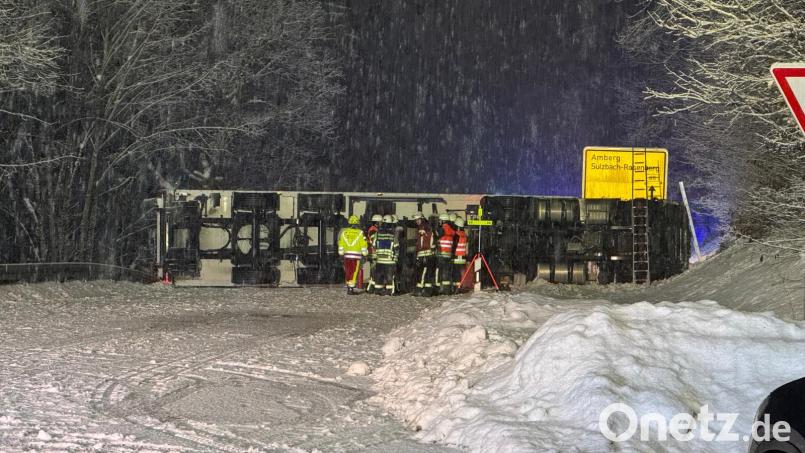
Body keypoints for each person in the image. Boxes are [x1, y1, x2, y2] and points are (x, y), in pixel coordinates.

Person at [338, 215, 368, 295]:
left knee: (348, 271)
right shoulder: (360, 233)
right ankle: (351, 288)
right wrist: (365, 253)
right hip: (356, 257)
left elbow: (341, 244)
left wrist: (341, 253)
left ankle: (348, 286)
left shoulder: (344, 232)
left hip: (346, 256)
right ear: (357, 223)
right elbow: (363, 244)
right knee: (354, 272)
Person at [374, 215, 399, 295]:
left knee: (379, 276)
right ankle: (389, 291)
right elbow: (396, 247)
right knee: (389, 277)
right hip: (389, 261)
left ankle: (378, 290)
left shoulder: (377, 234)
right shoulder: (393, 234)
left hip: (379, 260)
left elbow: (374, 245)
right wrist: (396, 258)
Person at [412, 212, 436, 296]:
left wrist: (418, 252)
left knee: (422, 272)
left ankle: (420, 290)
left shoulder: (423, 228)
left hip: (424, 253)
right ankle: (427, 290)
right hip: (427, 253)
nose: (416, 221)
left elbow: (421, 243)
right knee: (427, 272)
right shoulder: (427, 226)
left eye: (417, 220)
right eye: (416, 220)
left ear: (421, 219)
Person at [435, 213, 456, 295]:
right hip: (448, 254)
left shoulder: (442, 229)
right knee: (446, 272)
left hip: (441, 254)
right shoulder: (451, 230)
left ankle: (438, 289)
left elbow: (436, 236)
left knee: (439, 271)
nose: (439, 222)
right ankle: (446, 290)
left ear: (443, 221)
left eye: (440, 220)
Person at [365, 214, 383, 293]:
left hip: (374, 252)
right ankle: (372, 287)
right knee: (374, 271)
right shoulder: (373, 230)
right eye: (380, 222)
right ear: (377, 222)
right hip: (373, 253)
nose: (381, 223)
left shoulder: (375, 229)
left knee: (374, 271)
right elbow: (373, 241)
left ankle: (372, 287)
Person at [452, 217, 468, 292]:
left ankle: (456, 287)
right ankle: (460, 286)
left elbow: (454, 246)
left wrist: (451, 255)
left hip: (456, 256)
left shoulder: (456, 235)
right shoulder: (464, 235)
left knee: (456, 272)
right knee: (460, 272)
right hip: (463, 257)